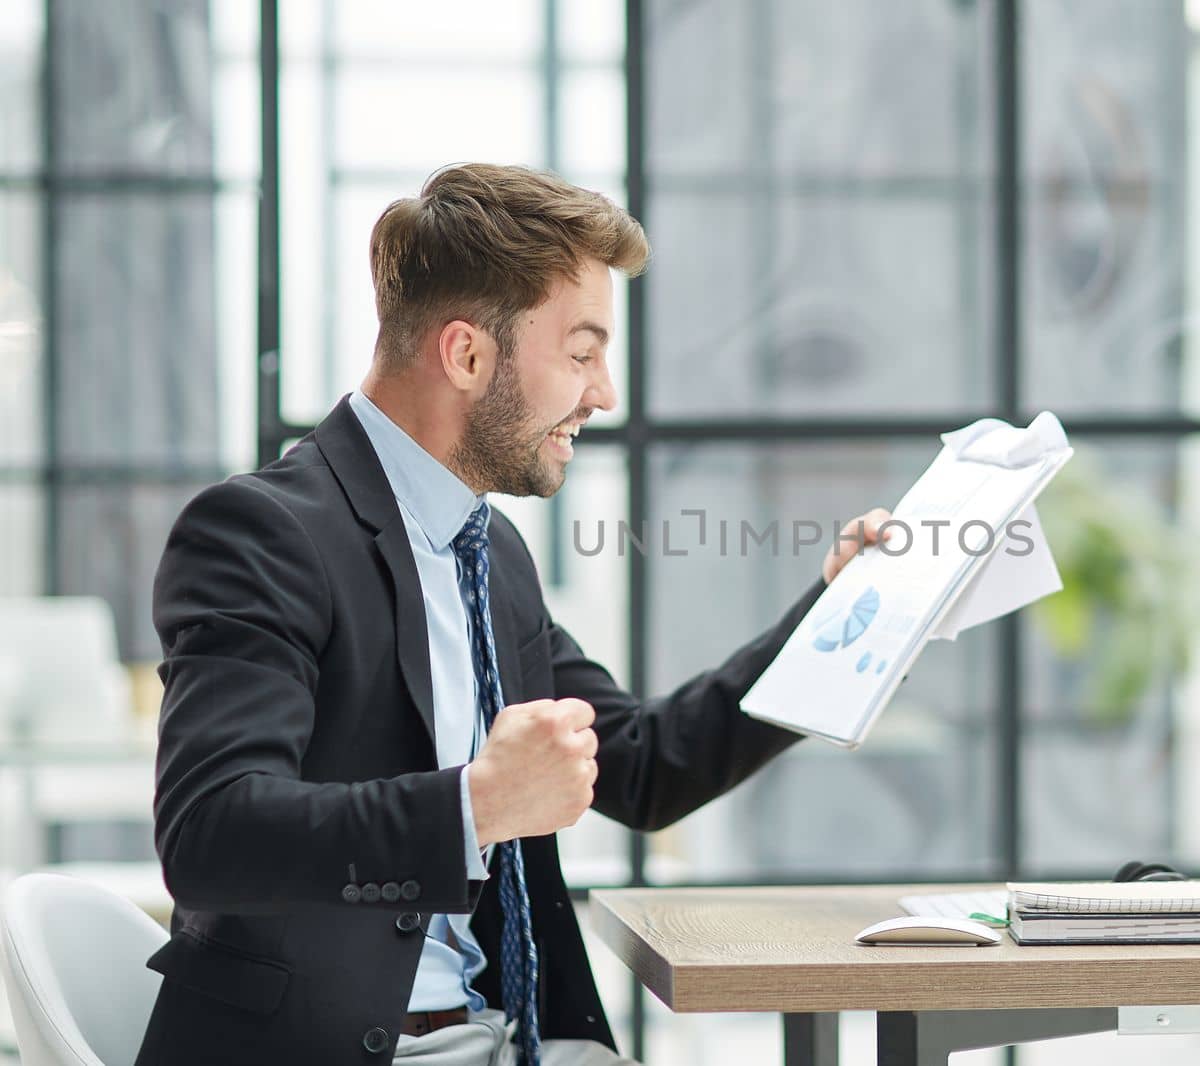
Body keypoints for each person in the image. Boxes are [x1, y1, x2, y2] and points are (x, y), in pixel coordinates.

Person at [135, 163, 891, 1066]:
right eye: (581, 352)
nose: (604, 393)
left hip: (501, 1040)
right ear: (466, 355)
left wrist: (855, 623)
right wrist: (474, 806)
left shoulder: (488, 554)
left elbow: (647, 765)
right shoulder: (261, 532)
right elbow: (214, 835)